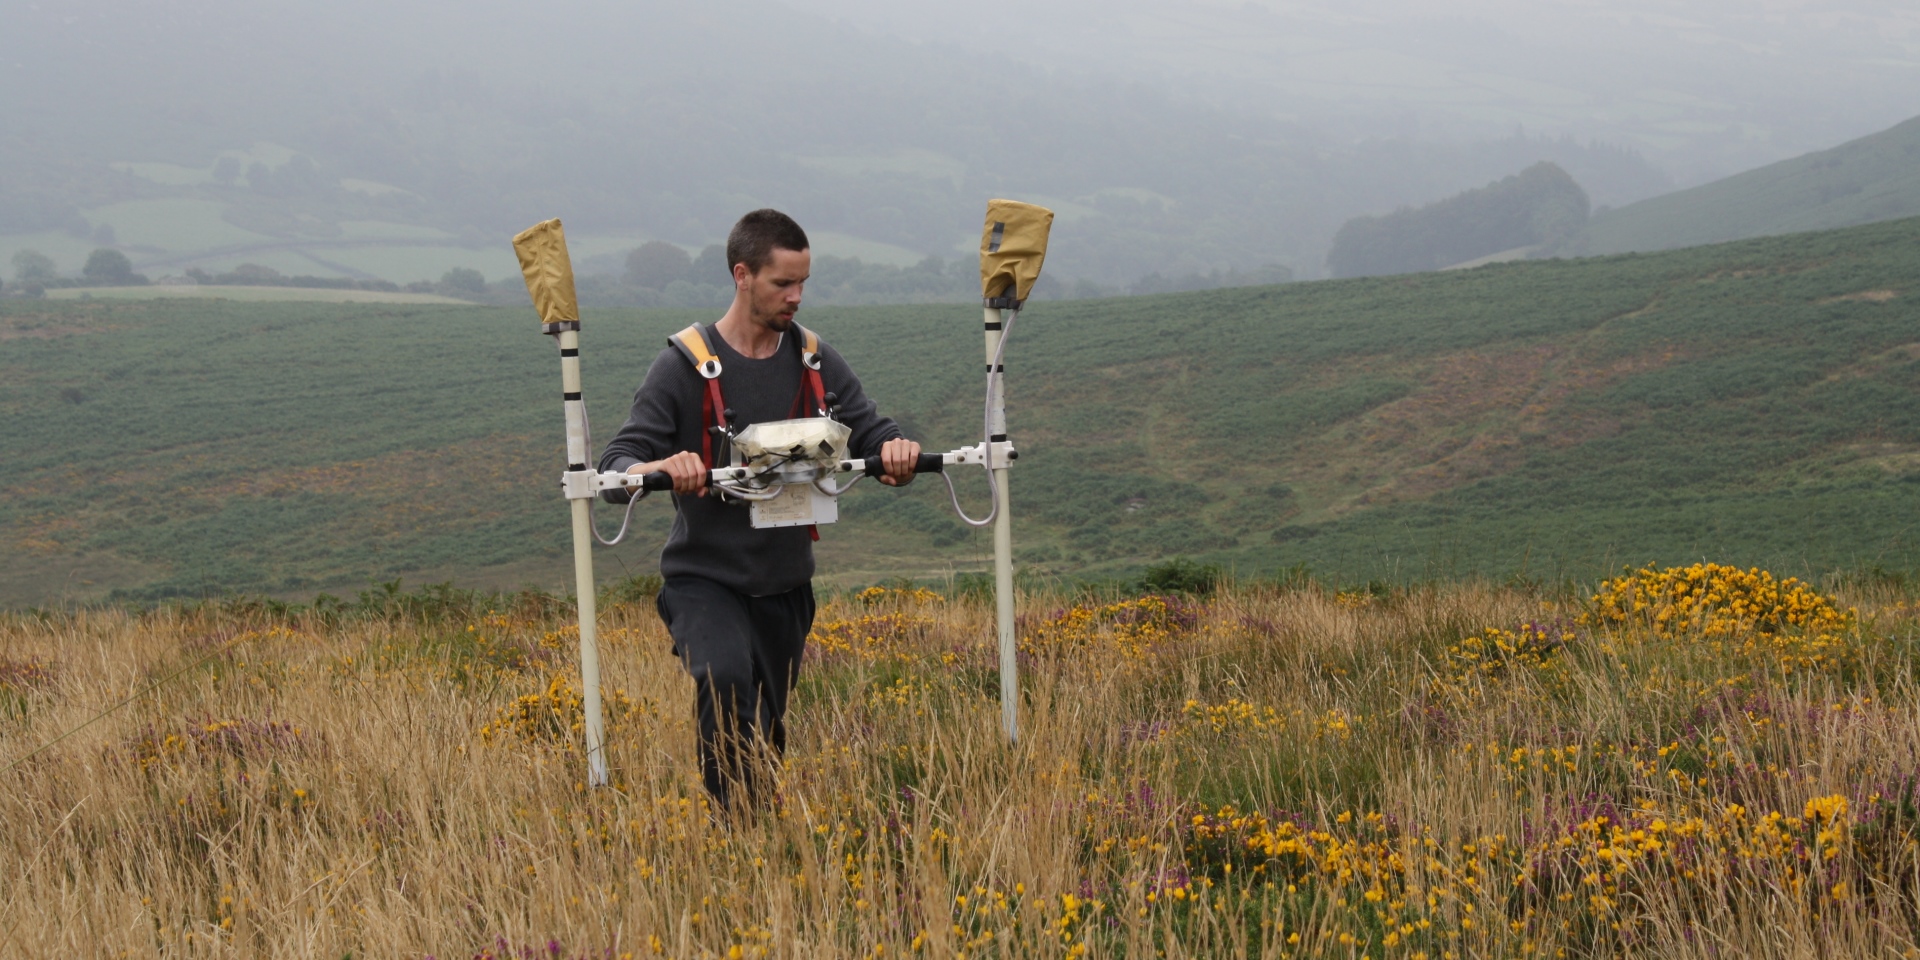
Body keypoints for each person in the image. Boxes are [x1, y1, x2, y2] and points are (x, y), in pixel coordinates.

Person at [598, 209, 922, 810]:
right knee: (724, 679)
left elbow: (873, 432)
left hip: (786, 587)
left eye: (803, 283)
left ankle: (757, 842)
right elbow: (618, 464)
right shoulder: (683, 365)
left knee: (765, 741)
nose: (796, 297)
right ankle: (736, 837)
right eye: (782, 284)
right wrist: (660, 469)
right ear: (742, 275)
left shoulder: (816, 361)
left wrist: (897, 452)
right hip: (704, 581)